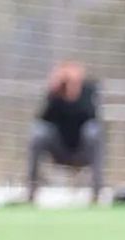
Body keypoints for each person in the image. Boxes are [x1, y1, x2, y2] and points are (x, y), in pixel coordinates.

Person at [27, 61, 103, 205]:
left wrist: (74, 92)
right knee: (38, 132)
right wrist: (54, 91)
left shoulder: (88, 90)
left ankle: (97, 192)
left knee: (94, 130)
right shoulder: (55, 94)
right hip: (59, 150)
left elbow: (92, 115)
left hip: (82, 149)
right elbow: (43, 118)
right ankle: (31, 191)